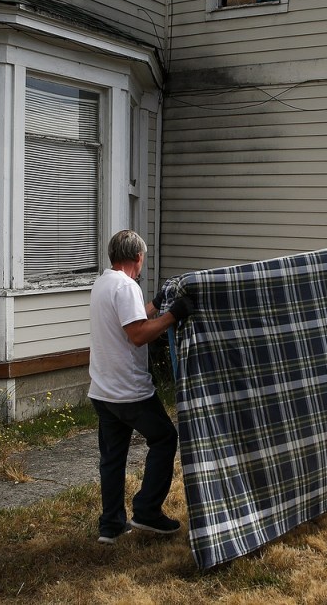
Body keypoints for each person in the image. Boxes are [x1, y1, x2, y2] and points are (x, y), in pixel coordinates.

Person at [88, 229, 193, 544]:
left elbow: (132, 320)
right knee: (164, 438)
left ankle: (111, 527)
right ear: (138, 257)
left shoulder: (104, 283)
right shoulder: (126, 286)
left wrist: (157, 304)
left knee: (112, 458)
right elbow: (138, 335)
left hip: (103, 392)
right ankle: (146, 511)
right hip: (129, 392)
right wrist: (173, 315)